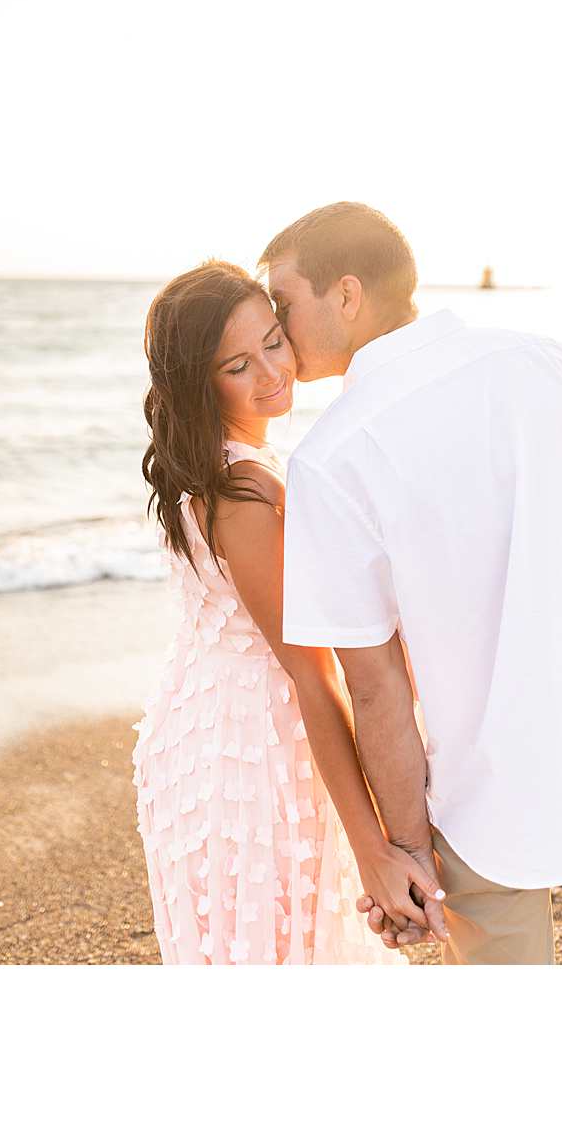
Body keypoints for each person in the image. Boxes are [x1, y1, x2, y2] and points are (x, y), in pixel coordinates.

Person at [261, 203, 562, 966]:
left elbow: (375, 685)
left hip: (483, 794)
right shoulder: (548, 361)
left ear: (345, 294)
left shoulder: (333, 456)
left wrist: (406, 854)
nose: (276, 323)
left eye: (284, 301)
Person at [133, 261, 439, 964]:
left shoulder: (224, 466)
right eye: (238, 364)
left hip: (214, 729)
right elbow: (311, 673)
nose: (272, 372)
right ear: (197, 382)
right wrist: (375, 850)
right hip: (246, 755)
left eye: (275, 340)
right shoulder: (244, 491)